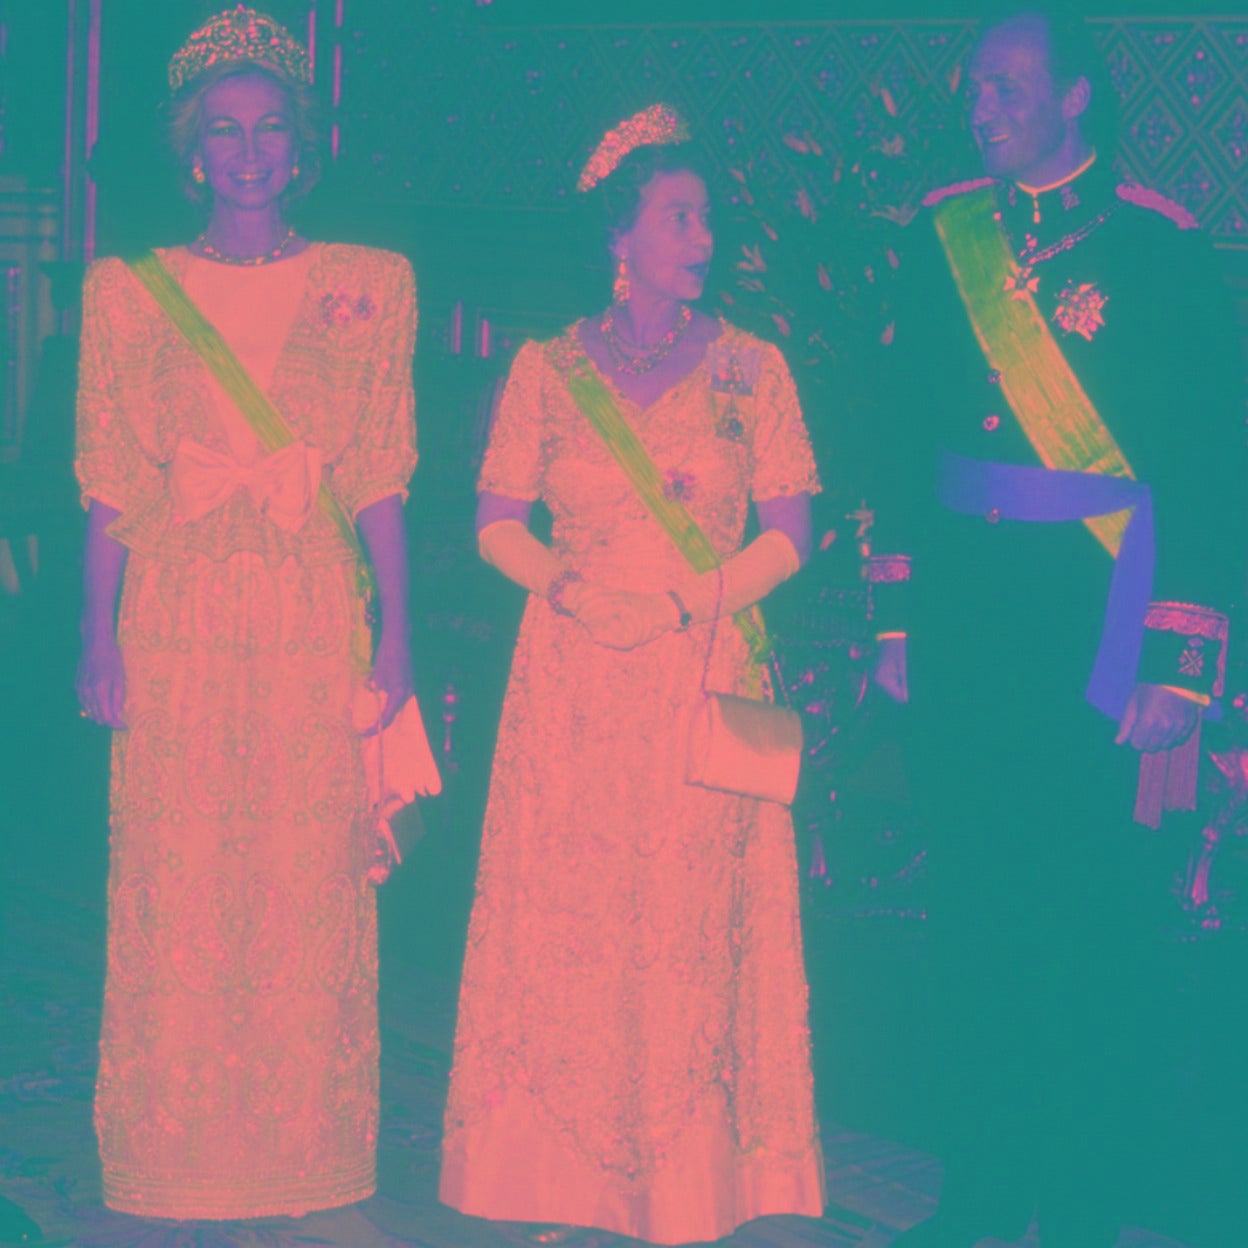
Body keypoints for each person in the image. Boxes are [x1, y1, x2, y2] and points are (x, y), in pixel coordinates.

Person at [872, 7, 1244, 1246]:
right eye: (976, 85)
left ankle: (1082, 1196)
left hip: (1098, 623)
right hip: (968, 627)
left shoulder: (1161, 253)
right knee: (974, 909)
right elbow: (899, 438)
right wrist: (895, 619)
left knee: (1090, 922)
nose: (983, 104)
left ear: (1076, 97)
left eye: (1011, 86)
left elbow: (1208, 462)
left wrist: (1182, 661)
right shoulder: (941, 241)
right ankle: (979, 1184)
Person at [438, 105, 825, 1244]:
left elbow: (796, 528)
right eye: (679, 216)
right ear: (621, 231)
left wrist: (678, 602)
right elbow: (495, 518)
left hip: (698, 667)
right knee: (571, 924)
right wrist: (565, 589)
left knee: (687, 928)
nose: (703, 237)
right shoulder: (546, 367)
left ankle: (691, 1184)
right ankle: (551, 1179)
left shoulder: (755, 369)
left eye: (709, 217)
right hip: (569, 679)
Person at [74, 7, 423, 1221]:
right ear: (191, 150)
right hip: (174, 618)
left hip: (311, 614)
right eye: (224, 131)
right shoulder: (128, 293)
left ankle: (301, 1152)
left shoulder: (371, 288)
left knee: (305, 879)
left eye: (270, 128)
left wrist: (400, 636)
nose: (249, 152)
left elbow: (382, 471)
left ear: (301, 143)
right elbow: (110, 480)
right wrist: (94, 639)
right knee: (176, 882)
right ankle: (175, 1155)